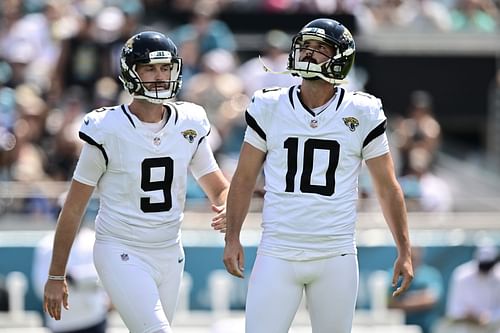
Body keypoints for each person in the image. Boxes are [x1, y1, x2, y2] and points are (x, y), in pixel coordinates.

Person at [223, 18, 413, 333]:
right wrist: (232, 238)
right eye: (306, 47)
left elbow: (387, 187)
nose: (309, 54)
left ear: (341, 59)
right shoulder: (269, 105)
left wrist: (404, 250)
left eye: (320, 49)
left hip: (334, 251)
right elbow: (243, 179)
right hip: (278, 249)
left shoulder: (362, 111)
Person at [43, 31, 230, 333]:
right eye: (149, 68)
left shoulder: (189, 122)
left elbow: (218, 187)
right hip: (120, 248)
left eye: (166, 67)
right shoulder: (107, 128)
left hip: (170, 250)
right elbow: (74, 208)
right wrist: (55, 275)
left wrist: (226, 208)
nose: (160, 76)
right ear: (131, 73)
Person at [33, 223, 110, 333]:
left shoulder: (93, 239)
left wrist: (75, 277)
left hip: (93, 318)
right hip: (62, 323)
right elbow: (41, 285)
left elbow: (103, 275)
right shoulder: (46, 244)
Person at [388, 246, 444, 333]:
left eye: (413, 258)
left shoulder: (431, 274)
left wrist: (402, 303)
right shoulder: (393, 274)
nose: (410, 261)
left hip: (425, 328)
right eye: (407, 257)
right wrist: (419, 298)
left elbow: (431, 299)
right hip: (400, 328)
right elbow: (388, 302)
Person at [446, 245, 500, 333]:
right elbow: (453, 310)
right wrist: (472, 317)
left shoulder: (498, 276)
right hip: (467, 329)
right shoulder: (461, 275)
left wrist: (489, 317)